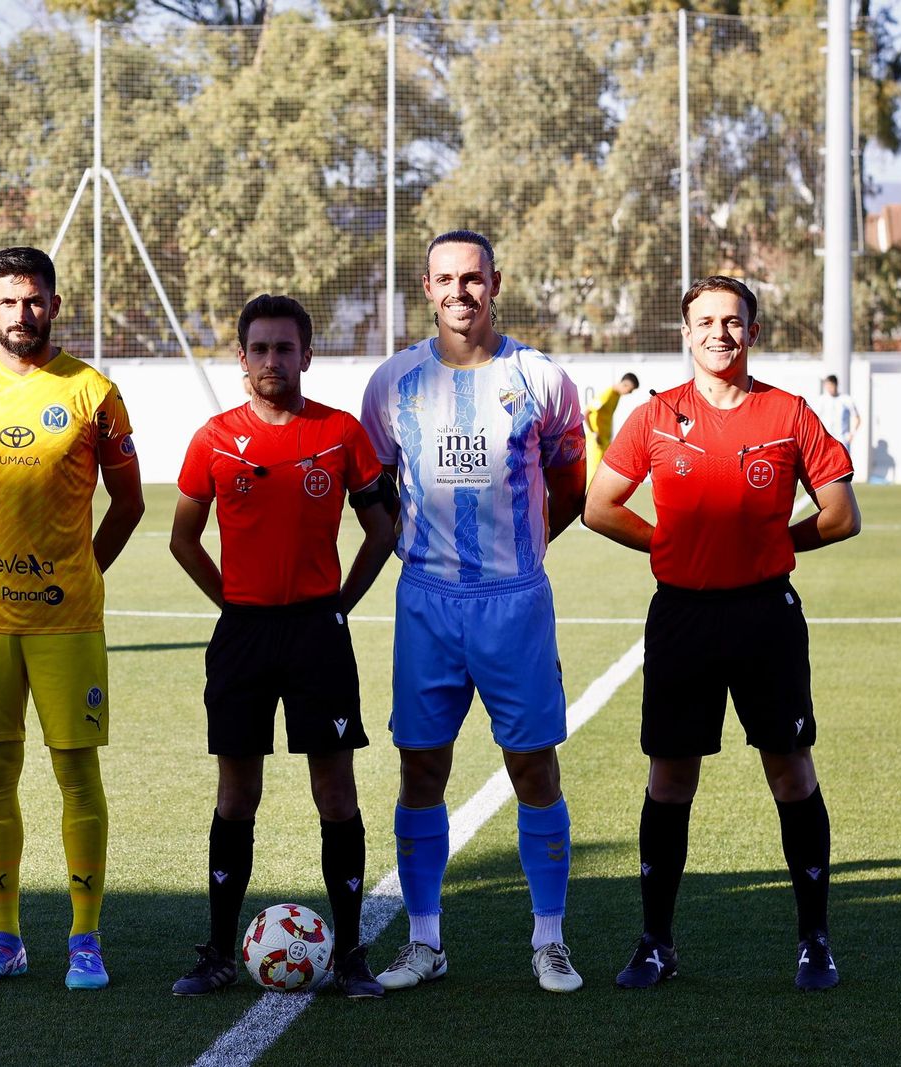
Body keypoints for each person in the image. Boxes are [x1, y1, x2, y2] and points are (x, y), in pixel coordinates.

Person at [583, 275, 860, 993]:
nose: (719, 333)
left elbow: (840, 513)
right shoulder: (654, 416)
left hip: (766, 615)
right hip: (682, 616)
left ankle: (814, 940)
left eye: (733, 321)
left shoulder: (789, 413)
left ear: (754, 332)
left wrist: (778, 545)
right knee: (670, 778)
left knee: (790, 771)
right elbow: (600, 507)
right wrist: (665, 545)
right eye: (705, 321)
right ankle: (655, 942)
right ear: (686, 332)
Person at [360, 230, 588, 994]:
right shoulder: (393, 383)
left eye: (474, 278)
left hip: (513, 602)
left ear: (497, 284)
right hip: (427, 602)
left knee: (532, 767)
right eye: (446, 279)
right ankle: (425, 941)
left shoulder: (539, 377)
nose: (461, 291)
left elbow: (572, 483)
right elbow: (378, 487)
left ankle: (549, 939)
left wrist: (522, 557)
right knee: (421, 766)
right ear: (427, 288)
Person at [168, 294, 398, 999]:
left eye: (284, 348)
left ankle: (352, 952)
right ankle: (216, 951)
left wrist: (338, 606)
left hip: (315, 634)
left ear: (306, 355)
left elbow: (382, 531)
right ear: (242, 357)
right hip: (242, 634)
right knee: (238, 795)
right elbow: (183, 538)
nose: (273, 360)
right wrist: (233, 603)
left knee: (335, 791)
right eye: (259, 348)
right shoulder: (213, 438)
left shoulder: (339, 433)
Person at [0, 246, 144, 992]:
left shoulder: (94, 391)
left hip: (68, 622)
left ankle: (85, 938)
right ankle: (5, 935)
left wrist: (80, 571)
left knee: (75, 774)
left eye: (34, 300)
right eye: (9, 301)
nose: (22, 314)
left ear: (54, 304)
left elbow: (130, 502)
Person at [585, 372, 639, 475]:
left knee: (603, 475)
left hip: (605, 441)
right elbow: (587, 413)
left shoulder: (617, 395)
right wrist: (594, 433)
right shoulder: (607, 394)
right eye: (630, 390)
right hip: (597, 442)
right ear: (625, 385)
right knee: (594, 475)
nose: (630, 393)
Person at [814, 374, 862, 452]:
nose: (829, 389)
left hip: (842, 440)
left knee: (843, 463)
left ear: (835, 385)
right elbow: (815, 418)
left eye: (830, 386)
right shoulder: (822, 400)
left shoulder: (846, 399)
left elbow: (857, 418)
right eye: (827, 386)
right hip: (826, 440)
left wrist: (852, 433)